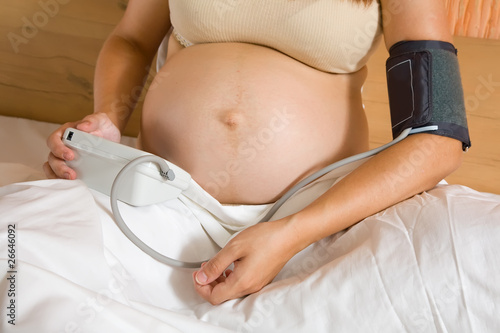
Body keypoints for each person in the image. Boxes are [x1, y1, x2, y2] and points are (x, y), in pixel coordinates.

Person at [44, 0, 464, 305]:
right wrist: (107, 121)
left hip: (317, 216)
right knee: (27, 256)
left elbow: (436, 140)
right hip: (156, 194)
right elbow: (131, 40)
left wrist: (291, 234)